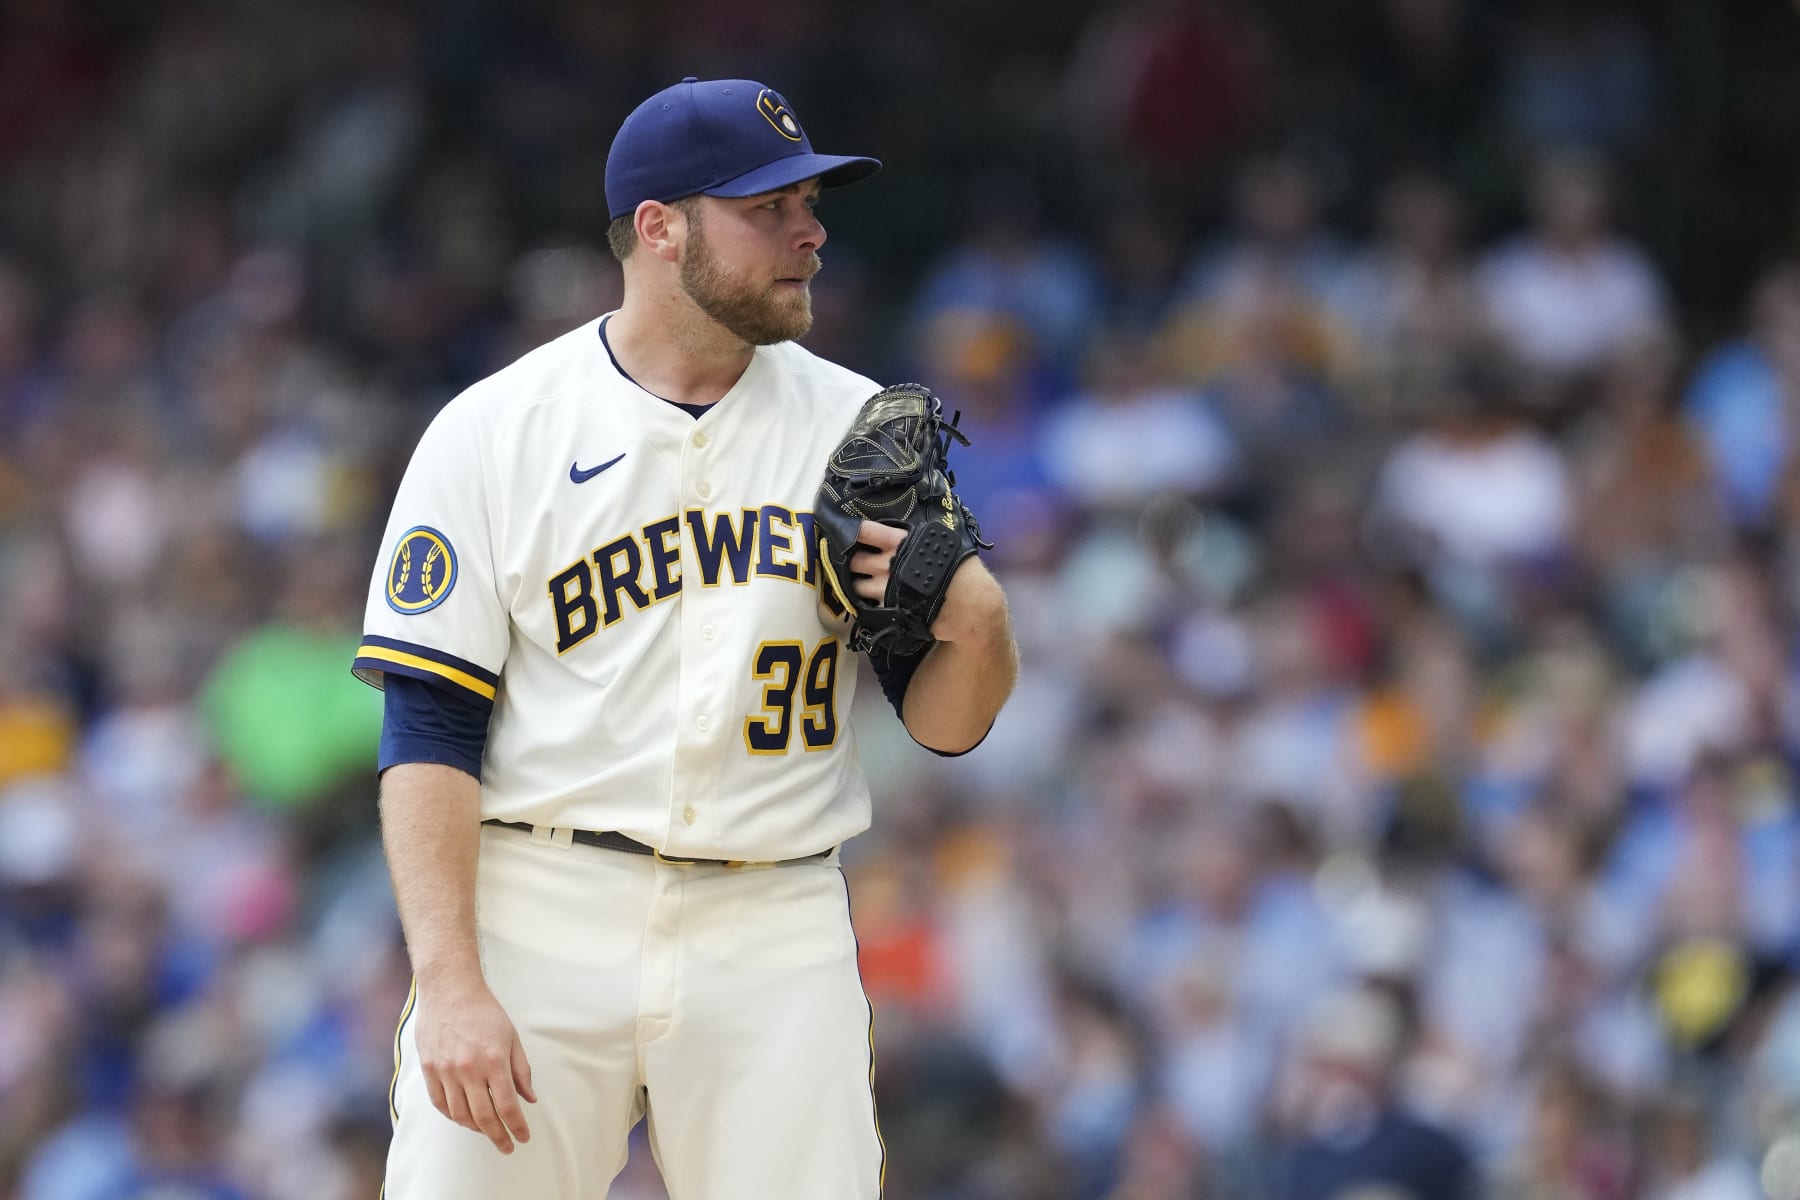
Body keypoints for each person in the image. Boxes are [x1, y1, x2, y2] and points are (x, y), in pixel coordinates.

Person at [350, 76, 1019, 1199]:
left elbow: (948, 728)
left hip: (773, 917)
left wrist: (981, 626)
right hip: (537, 907)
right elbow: (428, 729)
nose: (809, 231)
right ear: (658, 230)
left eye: (810, 201)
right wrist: (451, 981)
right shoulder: (495, 431)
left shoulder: (859, 429)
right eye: (766, 207)